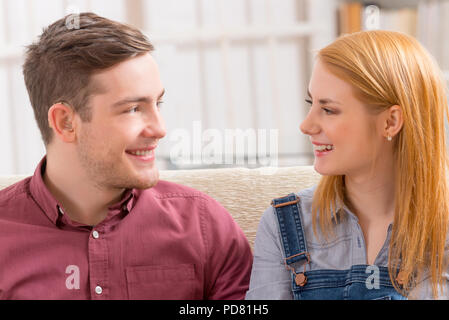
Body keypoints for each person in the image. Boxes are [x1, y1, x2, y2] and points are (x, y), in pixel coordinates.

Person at [0, 12, 252, 300]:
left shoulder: (205, 226)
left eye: (158, 103)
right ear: (66, 122)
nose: (160, 129)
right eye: (133, 109)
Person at [246, 30, 449, 300]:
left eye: (328, 109)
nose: (306, 126)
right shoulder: (283, 224)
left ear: (390, 122)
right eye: (311, 103)